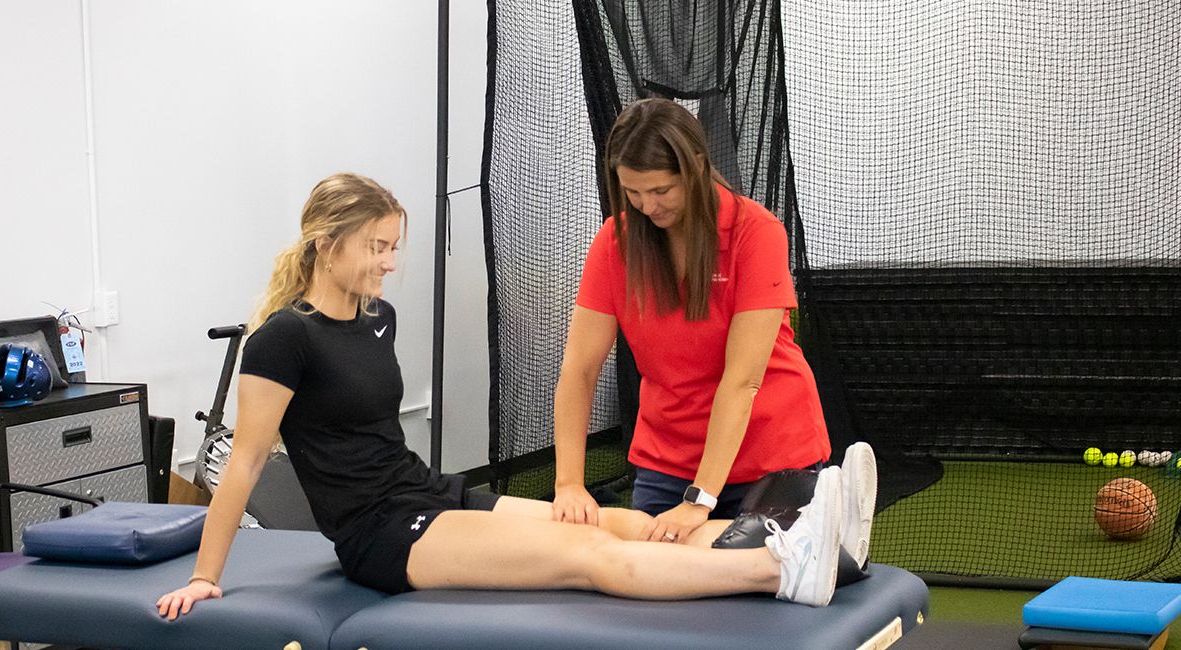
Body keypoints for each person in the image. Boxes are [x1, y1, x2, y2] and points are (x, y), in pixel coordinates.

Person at [155, 172, 850, 621]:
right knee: (586, 560)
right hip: (381, 534)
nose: (391, 263)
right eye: (377, 247)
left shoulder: (376, 318)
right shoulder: (282, 339)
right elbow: (243, 462)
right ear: (327, 244)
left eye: (395, 246)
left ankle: (802, 542)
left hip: (429, 493)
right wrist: (206, 576)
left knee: (614, 524)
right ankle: (777, 569)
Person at [551, 98, 874, 567]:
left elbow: (741, 381)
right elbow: (579, 369)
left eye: (661, 190)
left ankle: (836, 541)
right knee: (653, 573)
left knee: (760, 571)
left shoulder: (757, 233)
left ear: (697, 167)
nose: (647, 206)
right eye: (633, 193)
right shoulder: (615, 241)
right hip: (668, 458)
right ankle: (824, 538)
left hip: (770, 455)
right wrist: (568, 484)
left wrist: (701, 499)